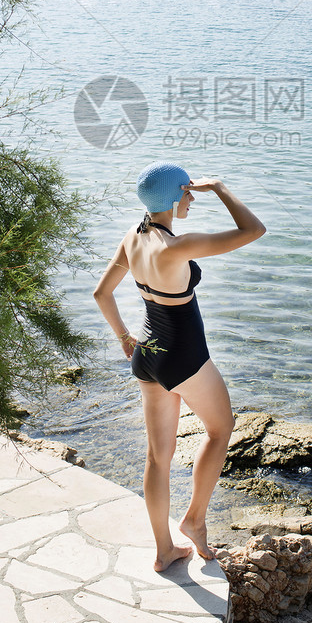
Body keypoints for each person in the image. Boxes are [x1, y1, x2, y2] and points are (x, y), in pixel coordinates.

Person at [94, 162, 265, 571]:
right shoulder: (176, 246)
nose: (191, 198)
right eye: (187, 192)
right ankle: (195, 521)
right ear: (172, 197)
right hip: (184, 355)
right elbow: (253, 231)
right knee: (221, 429)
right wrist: (220, 188)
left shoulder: (132, 239)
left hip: (146, 354)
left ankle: (163, 551)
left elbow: (102, 294)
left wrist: (124, 338)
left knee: (158, 458)